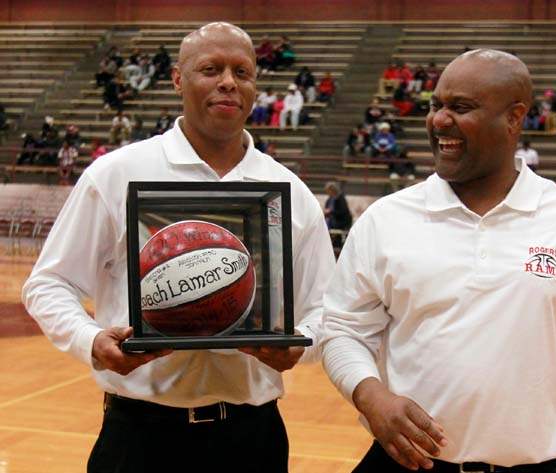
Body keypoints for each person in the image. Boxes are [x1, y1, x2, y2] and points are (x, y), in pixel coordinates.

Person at [22, 22, 334, 473]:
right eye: (211, 69)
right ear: (176, 80)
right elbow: (48, 283)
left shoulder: (289, 190)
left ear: (254, 87)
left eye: (242, 72)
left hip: (252, 438)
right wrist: (90, 340)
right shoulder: (115, 174)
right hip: (139, 436)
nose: (228, 81)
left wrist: (299, 346)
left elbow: (326, 308)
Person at [321, 49, 556, 473]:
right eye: (436, 105)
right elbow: (342, 330)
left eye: (461, 107)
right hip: (410, 463)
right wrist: (371, 395)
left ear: (514, 117)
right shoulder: (386, 219)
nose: (439, 120)